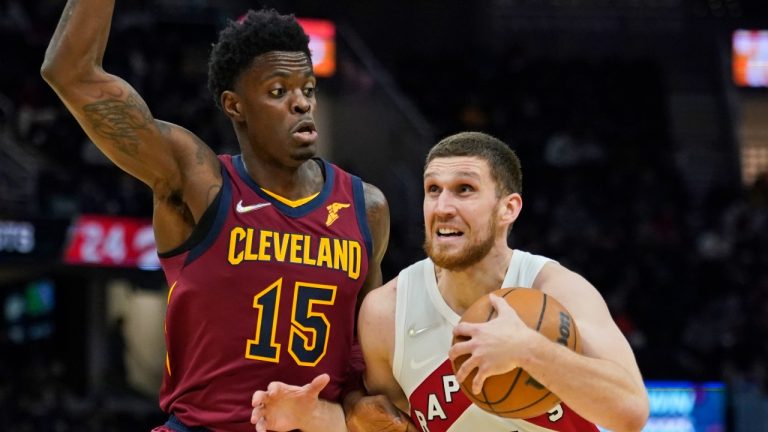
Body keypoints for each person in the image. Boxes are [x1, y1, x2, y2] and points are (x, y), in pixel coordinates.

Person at [41, 3, 393, 431]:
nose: (301, 103)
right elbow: (70, 72)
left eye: (308, 88)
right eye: (278, 91)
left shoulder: (365, 207)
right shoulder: (198, 183)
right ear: (235, 105)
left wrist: (359, 409)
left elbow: (363, 357)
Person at [251, 131, 649, 432]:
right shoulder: (386, 312)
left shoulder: (555, 289)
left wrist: (527, 350)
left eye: (464, 190)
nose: (443, 207)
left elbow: (630, 410)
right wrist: (316, 416)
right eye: (433, 191)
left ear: (508, 208)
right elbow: (390, 428)